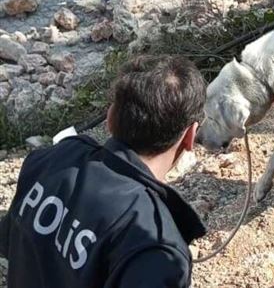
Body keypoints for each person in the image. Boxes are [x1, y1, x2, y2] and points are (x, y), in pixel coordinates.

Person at [0, 56, 207, 288]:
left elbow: (10, 242)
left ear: (109, 119)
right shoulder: (155, 247)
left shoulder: (52, 159)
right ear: (190, 137)